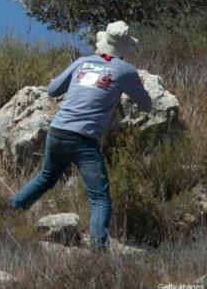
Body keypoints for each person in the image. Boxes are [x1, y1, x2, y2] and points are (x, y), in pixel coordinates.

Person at [9, 21, 152, 251]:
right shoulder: (125, 71)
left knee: (46, 177)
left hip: (57, 130)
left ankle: (9, 214)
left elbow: (53, 89)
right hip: (84, 139)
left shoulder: (82, 62)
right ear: (124, 49)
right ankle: (97, 251)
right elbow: (146, 105)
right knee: (99, 197)